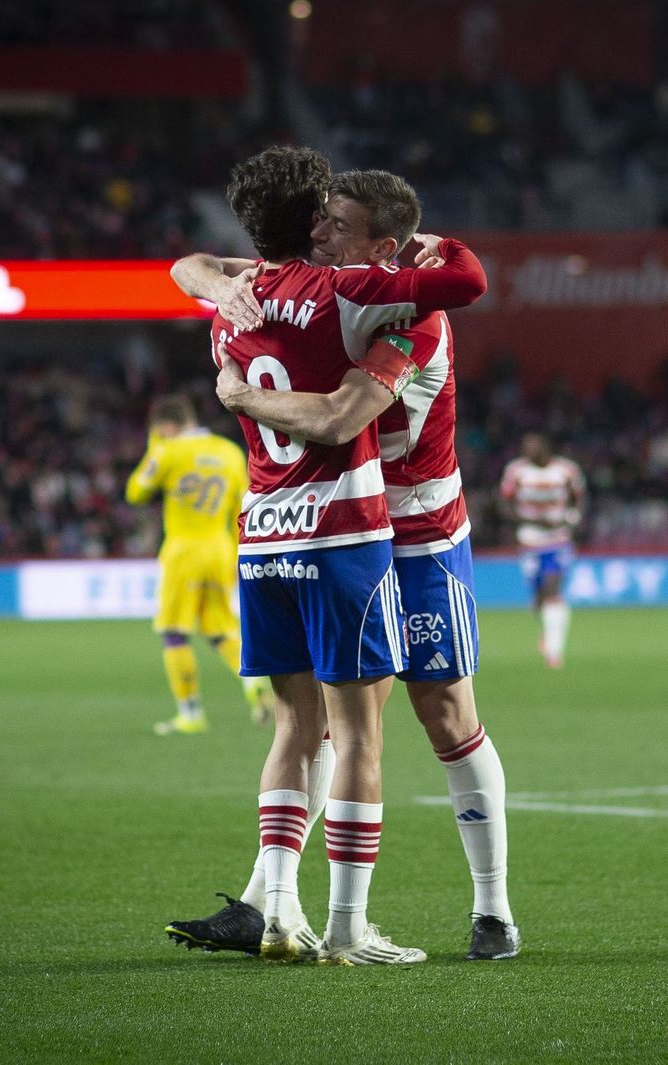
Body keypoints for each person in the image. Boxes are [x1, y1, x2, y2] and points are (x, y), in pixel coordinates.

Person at [166, 169, 519, 961]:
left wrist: (239, 394)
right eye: (317, 220)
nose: (318, 232)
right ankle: (270, 902)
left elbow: (339, 415)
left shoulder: (407, 314)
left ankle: (492, 908)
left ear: (382, 248)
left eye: (336, 224)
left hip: (418, 536)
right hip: (345, 529)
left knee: (444, 714)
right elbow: (196, 265)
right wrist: (217, 286)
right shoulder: (332, 291)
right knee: (330, 719)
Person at [124, 394, 272, 735]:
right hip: (221, 549)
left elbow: (135, 493)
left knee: (174, 632)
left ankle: (190, 714)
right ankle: (254, 683)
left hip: (184, 551)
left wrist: (154, 447)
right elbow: (242, 507)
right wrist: (239, 554)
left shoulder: (168, 451)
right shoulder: (229, 452)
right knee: (219, 630)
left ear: (165, 426)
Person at [500, 434, 585, 669]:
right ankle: (548, 630)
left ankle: (554, 650)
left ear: (544, 448)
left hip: (558, 540)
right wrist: (531, 521)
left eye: (531, 447)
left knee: (552, 589)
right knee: (538, 600)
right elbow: (503, 504)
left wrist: (572, 519)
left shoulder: (566, 470)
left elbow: (578, 499)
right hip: (529, 540)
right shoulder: (516, 471)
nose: (526, 451)